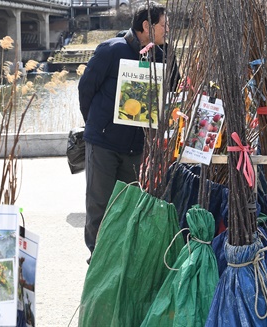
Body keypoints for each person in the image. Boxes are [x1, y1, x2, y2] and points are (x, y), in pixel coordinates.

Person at [78, 1, 177, 262]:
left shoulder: (160, 54)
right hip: (103, 143)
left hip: (136, 147)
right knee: (99, 204)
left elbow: (176, 87)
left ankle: (120, 259)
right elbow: (85, 90)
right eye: (164, 25)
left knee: (127, 205)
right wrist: (96, 127)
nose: (167, 30)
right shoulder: (111, 50)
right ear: (147, 26)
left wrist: (168, 52)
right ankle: (97, 259)